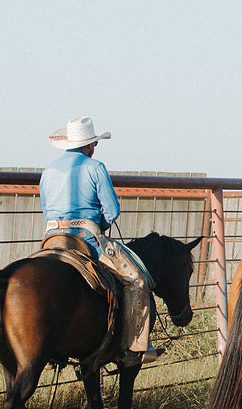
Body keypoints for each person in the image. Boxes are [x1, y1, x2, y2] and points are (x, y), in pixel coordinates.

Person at [40, 116, 161, 364]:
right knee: (136, 280)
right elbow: (112, 211)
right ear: (89, 145)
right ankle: (134, 347)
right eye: (94, 143)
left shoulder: (48, 170)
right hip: (87, 240)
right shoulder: (95, 168)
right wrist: (101, 225)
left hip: (51, 239)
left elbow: (46, 209)